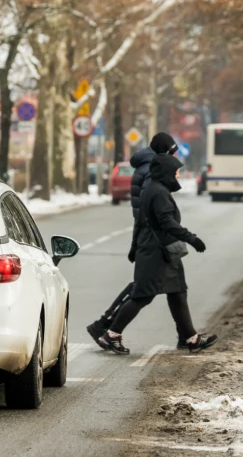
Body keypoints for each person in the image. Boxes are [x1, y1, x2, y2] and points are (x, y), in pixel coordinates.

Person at [98, 154, 218, 354]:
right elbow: (167, 222)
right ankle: (111, 335)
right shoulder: (158, 192)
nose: (178, 175)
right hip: (155, 253)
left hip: (163, 251)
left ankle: (191, 338)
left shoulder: (155, 188)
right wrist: (191, 238)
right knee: (142, 295)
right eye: (175, 172)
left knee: (177, 292)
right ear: (166, 172)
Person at [86, 132, 188, 348]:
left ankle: (187, 335)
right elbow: (151, 208)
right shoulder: (153, 169)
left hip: (150, 236)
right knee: (143, 289)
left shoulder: (146, 164)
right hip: (154, 238)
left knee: (171, 287)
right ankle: (106, 327)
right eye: (173, 152)